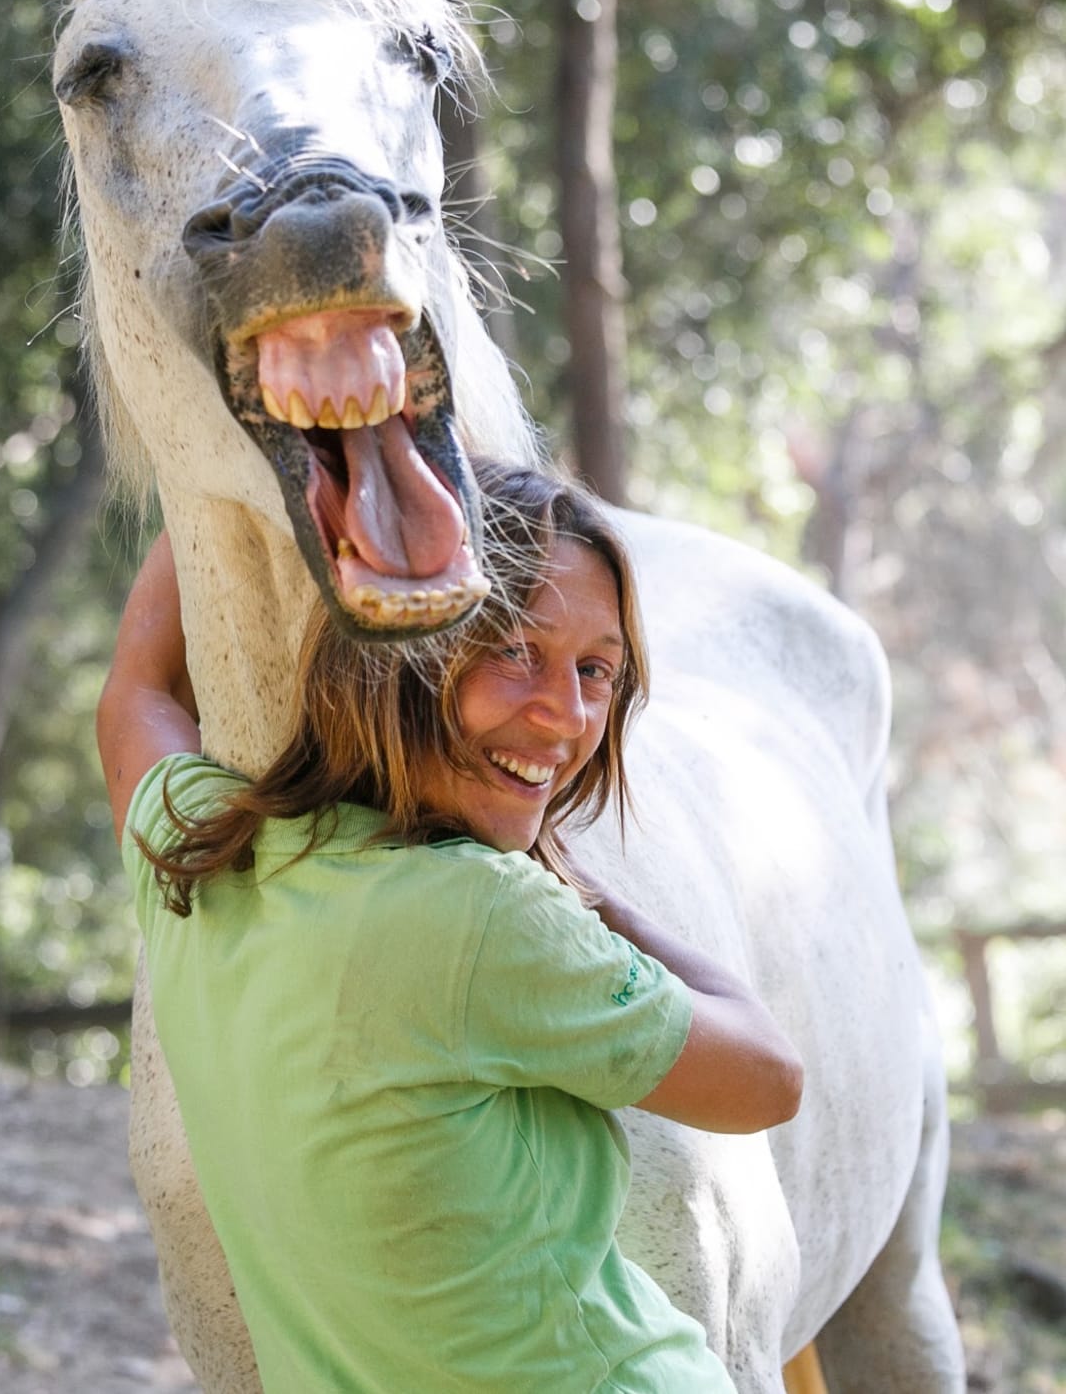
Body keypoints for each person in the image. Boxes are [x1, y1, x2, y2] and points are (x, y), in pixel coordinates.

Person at [98, 463, 803, 1393]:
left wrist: (237, 452)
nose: (569, 716)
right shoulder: (485, 917)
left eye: (597, 670)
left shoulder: (199, 865)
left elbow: (136, 696)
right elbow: (767, 1078)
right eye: (514, 649)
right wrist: (600, 901)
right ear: (403, 649)